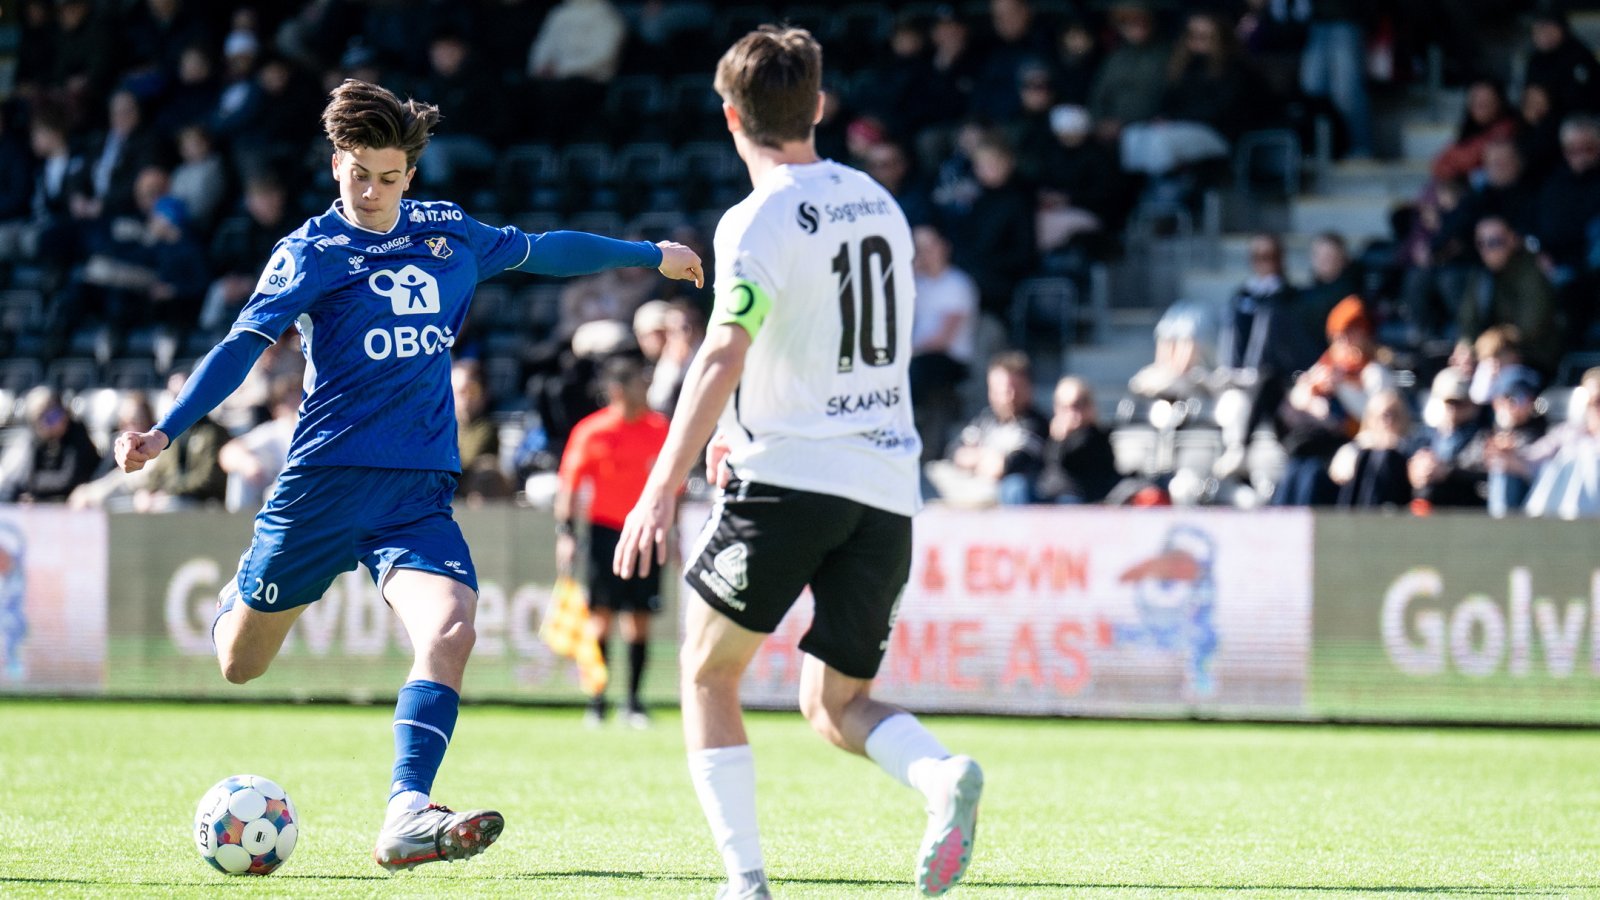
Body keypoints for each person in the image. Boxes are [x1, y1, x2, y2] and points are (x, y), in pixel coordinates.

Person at [113, 78, 703, 873]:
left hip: (416, 491)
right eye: (358, 174)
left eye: (388, 178)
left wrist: (649, 255)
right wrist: (165, 431)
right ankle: (240, 593)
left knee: (452, 626)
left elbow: (545, 249)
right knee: (241, 664)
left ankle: (406, 811)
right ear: (336, 164)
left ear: (410, 175)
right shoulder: (310, 252)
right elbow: (240, 347)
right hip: (324, 482)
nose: (371, 192)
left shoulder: (448, 232)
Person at [610, 27, 982, 900]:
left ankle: (745, 883)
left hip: (790, 480)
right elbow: (829, 336)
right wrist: (744, 418)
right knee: (834, 704)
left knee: (708, 673)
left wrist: (661, 485)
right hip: (885, 485)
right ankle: (939, 775)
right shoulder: (879, 203)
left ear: (730, 116)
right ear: (817, 106)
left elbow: (723, 350)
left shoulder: (758, 217)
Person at [554, 355, 669, 729]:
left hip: (647, 534)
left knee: (639, 619)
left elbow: (675, 487)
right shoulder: (592, 431)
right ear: (618, 390)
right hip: (604, 532)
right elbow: (569, 486)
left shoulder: (659, 429)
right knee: (600, 618)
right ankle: (597, 702)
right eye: (638, 383)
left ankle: (633, 703)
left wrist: (673, 531)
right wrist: (566, 534)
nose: (645, 389)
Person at [926, 351, 1049, 507]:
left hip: (1005, 494)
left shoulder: (1035, 423)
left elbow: (1010, 464)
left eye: (1013, 389)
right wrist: (984, 457)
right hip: (974, 484)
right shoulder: (985, 419)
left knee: (1015, 486)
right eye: (998, 390)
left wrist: (979, 459)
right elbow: (954, 451)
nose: (1007, 397)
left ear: (1028, 388)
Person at [1036, 376, 1119, 504]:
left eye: (1079, 404)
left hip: (1080, 499)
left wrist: (1061, 438)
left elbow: (1068, 460)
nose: (1072, 412)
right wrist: (1057, 439)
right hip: (1048, 495)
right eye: (1065, 407)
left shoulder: (1097, 437)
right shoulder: (1047, 431)